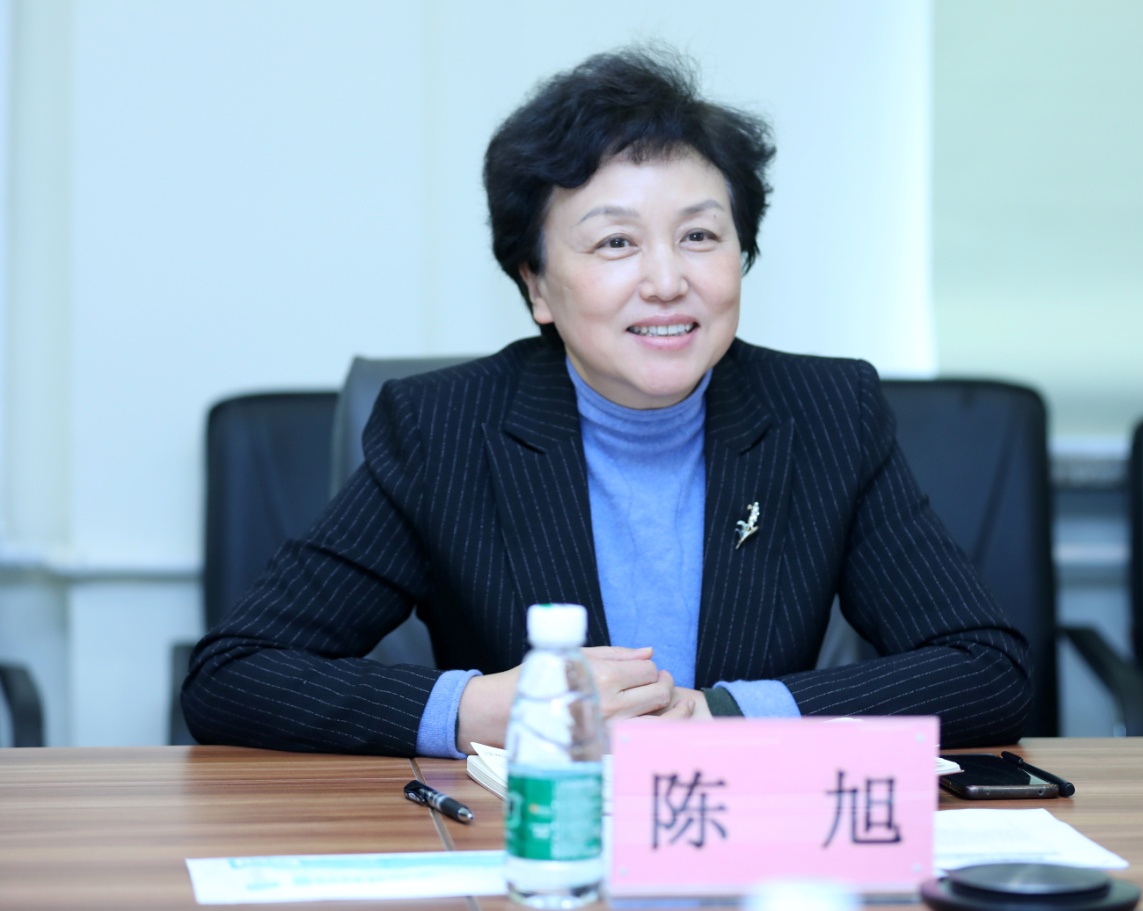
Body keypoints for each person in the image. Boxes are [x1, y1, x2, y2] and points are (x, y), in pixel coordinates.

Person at [182, 47, 1031, 758]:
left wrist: (730, 716)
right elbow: (234, 672)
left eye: (699, 235)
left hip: (747, 848)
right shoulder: (443, 430)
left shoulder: (827, 414)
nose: (666, 280)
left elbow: (988, 668)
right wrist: (480, 708)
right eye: (616, 241)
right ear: (537, 286)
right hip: (530, 849)